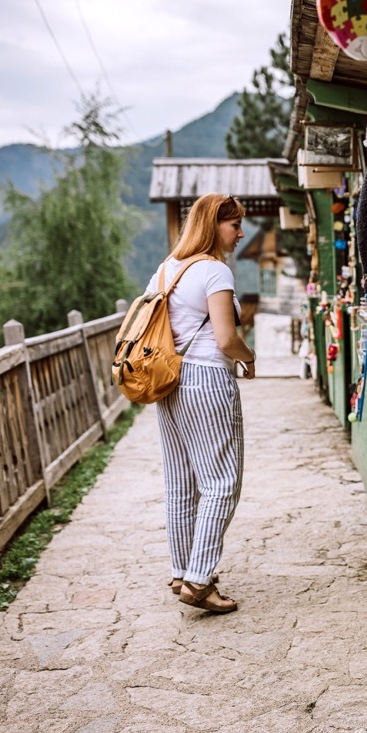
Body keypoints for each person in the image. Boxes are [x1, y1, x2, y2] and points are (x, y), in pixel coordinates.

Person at [148, 193, 255, 614]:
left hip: (169, 380)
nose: (241, 233)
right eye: (234, 225)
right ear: (214, 226)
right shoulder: (214, 271)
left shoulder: (165, 270)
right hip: (206, 378)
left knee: (181, 482)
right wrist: (249, 358)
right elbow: (227, 340)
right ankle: (198, 579)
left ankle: (181, 570)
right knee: (221, 482)